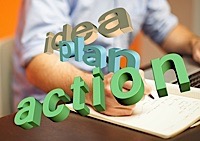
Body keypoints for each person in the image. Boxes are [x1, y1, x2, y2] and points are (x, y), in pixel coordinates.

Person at [13, 0, 200, 116]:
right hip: (55, 109)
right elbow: (38, 60)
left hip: (113, 101)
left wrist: (193, 43)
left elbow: (165, 27)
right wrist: (92, 89)